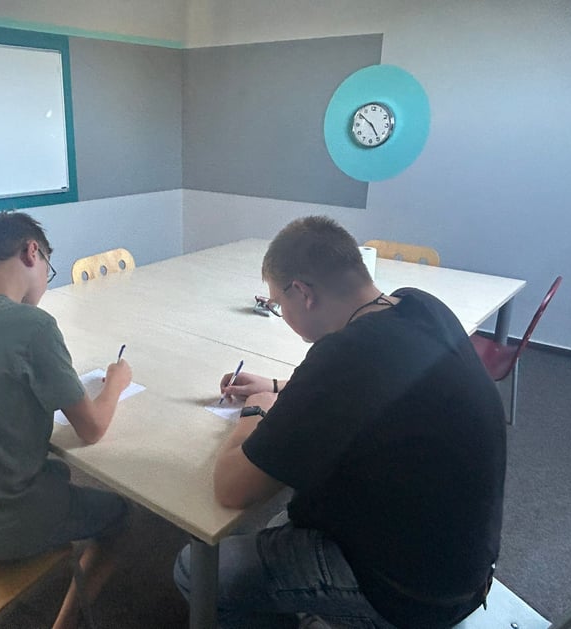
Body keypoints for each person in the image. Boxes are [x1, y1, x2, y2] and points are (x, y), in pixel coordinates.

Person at [174, 216, 506, 629]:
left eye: (278, 304)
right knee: (281, 521)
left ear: (303, 293)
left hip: (410, 594)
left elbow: (231, 487)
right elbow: (373, 380)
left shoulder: (342, 357)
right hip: (465, 566)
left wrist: (256, 409)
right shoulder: (419, 306)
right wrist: (279, 384)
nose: (281, 313)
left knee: (197, 568)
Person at [0, 211, 132, 629]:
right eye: (48, 270)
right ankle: (66, 622)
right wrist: (116, 383)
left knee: (55, 474)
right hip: (2, 524)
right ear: (32, 252)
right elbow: (92, 428)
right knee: (121, 514)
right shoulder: (33, 326)